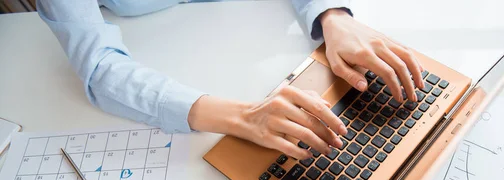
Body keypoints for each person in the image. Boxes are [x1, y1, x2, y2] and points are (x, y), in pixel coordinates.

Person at [38, 1, 425, 160]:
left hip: (268, 37)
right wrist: (242, 117)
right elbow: (101, 68)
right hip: (189, 76)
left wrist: (331, 15)